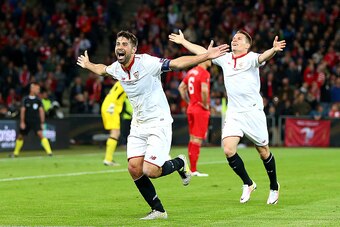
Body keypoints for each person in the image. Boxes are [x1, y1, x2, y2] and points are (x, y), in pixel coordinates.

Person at [77, 30, 228, 219]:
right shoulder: (117, 68)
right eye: (118, 44)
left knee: (150, 170)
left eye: (124, 44)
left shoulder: (147, 62)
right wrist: (88, 64)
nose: (120, 47)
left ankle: (180, 162)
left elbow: (176, 63)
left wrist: (205, 55)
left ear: (134, 49)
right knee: (134, 168)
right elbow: (102, 69)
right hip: (138, 124)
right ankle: (158, 210)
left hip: (159, 122)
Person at [169, 29, 286, 204]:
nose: (234, 40)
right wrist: (184, 42)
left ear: (247, 44)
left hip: (253, 112)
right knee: (228, 149)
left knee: (263, 152)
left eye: (239, 39)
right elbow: (203, 52)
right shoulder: (226, 58)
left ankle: (274, 186)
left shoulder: (251, 58)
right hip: (234, 113)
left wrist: (273, 49)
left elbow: (263, 57)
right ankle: (248, 183)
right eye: (233, 38)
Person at [178, 60, 211, 177]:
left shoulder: (191, 72)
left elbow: (181, 87)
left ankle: (191, 168)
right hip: (200, 109)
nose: (211, 61)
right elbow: (204, 90)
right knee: (197, 139)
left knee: (192, 138)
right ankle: (193, 169)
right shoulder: (204, 73)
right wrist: (205, 104)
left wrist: (188, 101)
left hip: (191, 108)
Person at [10, 82, 53, 157]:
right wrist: (22, 122)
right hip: (27, 121)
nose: (38, 90)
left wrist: (42, 122)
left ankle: (49, 152)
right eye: (37, 89)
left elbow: (41, 111)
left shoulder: (38, 100)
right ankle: (15, 153)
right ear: (32, 89)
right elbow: (23, 111)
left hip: (36, 121)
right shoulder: (25, 99)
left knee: (41, 135)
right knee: (20, 136)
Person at [101, 80, 126, 166]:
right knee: (115, 132)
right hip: (111, 107)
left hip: (109, 106)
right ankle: (108, 159)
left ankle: (108, 159)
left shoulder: (122, 81)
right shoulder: (127, 83)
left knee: (115, 132)